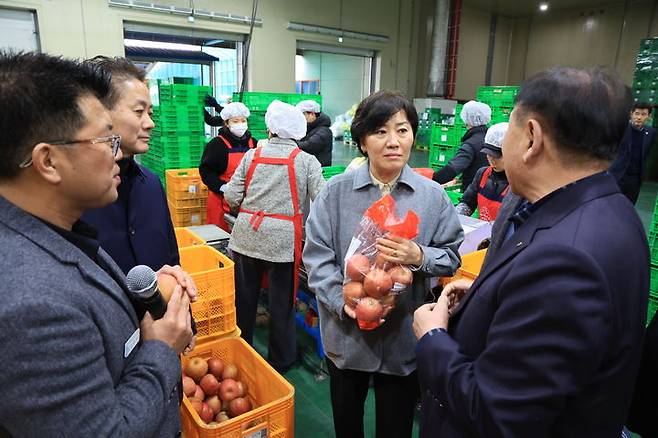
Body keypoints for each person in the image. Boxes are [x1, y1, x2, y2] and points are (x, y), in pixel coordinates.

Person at [413, 67, 649, 438]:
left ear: (532, 137)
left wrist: (433, 338)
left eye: (509, 128)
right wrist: (484, 299)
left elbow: (496, 413)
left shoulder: (568, 260)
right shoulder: (612, 211)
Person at [0, 51, 192, 436]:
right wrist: (160, 349)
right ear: (48, 161)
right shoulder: (31, 305)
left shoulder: (61, 231)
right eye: (106, 139)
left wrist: (148, 296)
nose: (116, 152)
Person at [303, 90, 463, 438]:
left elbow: (451, 254)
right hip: (347, 339)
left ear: (413, 137)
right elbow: (317, 258)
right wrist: (343, 304)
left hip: (402, 340)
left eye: (402, 130)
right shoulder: (335, 193)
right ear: (362, 141)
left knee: (397, 427)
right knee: (348, 425)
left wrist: (419, 256)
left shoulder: (432, 197)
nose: (393, 142)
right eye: (380, 131)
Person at [223, 100, 325, 372]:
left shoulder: (252, 155)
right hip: (283, 244)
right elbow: (322, 203)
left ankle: (242, 353)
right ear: (298, 132)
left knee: (244, 300)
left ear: (270, 130)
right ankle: (281, 361)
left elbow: (232, 195)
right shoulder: (306, 161)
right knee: (282, 304)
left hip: (246, 237)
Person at [81, 56, 181, 276]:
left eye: (150, 113)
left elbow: (172, 258)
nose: (150, 123)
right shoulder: (78, 195)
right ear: (100, 112)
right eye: (139, 112)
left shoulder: (151, 183)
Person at [199, 102, 256, 231]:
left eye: (243, 120)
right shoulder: (217, 144)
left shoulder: (254, 143)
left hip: (247, 201)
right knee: (221, 239)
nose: (240, 124)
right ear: (226, 123)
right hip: (220, 200)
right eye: (235, 121)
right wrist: (222, 187)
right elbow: (206, 171)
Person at [455, 122, 509, 221]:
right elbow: (468, 202)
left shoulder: (517, 184)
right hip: (481, 233)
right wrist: (455, 218)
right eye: (489, 154)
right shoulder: (483, 174)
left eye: (497, 156)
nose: (492, 160)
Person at [432, 100, 491, 189]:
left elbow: (453, 167)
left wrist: (432, 180)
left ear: (466, 119)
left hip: (473, 191)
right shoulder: (489, 137)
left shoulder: (471, 143)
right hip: (488, 188)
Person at [609, 102, 656, 204]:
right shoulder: (621, 128)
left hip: (635, 179)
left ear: (649, 116)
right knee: (611, 206)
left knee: (629, 207)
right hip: (618, 175)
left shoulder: (651, 133)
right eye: (637, 113)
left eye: (643, 114)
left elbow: (645, 154)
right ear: (631, 114)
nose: (639, 117)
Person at [296, 99, 333, 166]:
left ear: (312, 114)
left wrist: (291, 143)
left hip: (319, 169)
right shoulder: (310, 127)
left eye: (302, 115)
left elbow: (308, 146)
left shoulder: (324, 131)